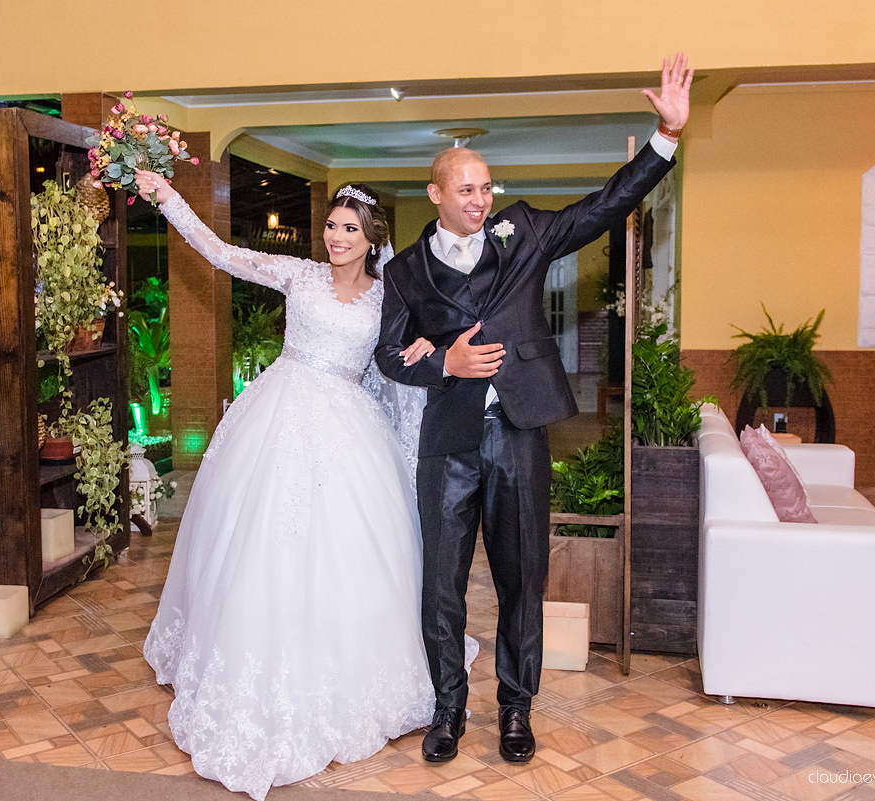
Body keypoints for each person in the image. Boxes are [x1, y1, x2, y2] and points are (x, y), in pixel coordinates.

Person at [374, 53, 693, 764]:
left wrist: (664, 140)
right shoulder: (404, 272)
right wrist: (443, 362)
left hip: (517, 433)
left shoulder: (525, 233)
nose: (481, 198)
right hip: (449, 441)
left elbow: (602, 206)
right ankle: (448, 709)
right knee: (442, 587)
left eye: (487, 186)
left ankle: (516, 709)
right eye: (466, 188)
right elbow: (387, 355)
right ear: (435, 192)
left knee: (523, 579)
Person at [135, 171, 451, 800]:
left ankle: (348, 674)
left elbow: (402, 348)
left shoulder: (388, 295)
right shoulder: (298, 275)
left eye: (349, 230)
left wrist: (423, 347)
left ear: (371, 239)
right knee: (261, 542)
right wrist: (169, 200)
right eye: (332, 227)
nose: (336, 237)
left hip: (349, 428)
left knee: (347, 552)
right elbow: (222, 254)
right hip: (276, 418)